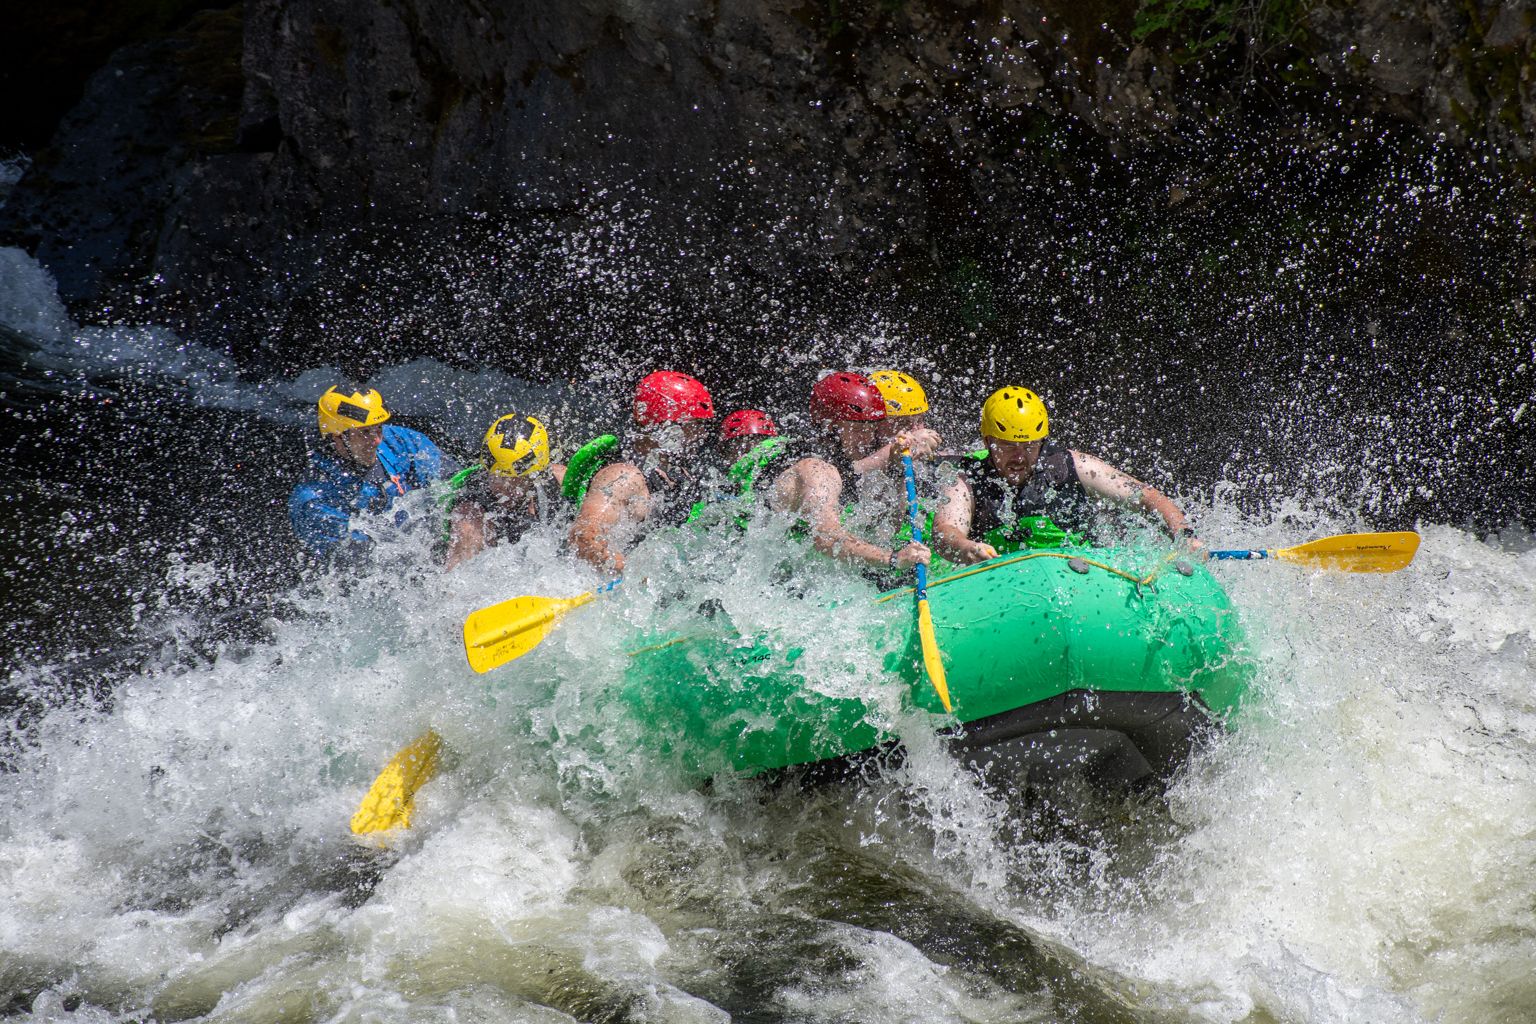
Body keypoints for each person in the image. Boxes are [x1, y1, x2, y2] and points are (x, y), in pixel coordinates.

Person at [931, 386, 1203, 564]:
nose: (1019, 457)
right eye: (1008, 445)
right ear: (987, 441)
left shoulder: (1073, 465)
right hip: (1000, 584)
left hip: (1078, 576)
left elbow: (1146, 496)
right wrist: (968, 549)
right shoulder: (964, 479)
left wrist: (1183, 535)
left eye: (1029, 446)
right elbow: (946, 532)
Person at [768, 371, 930, 576]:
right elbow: (825, 537)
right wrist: (893, 558)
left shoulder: (844, 465)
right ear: (830, 427)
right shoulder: (816, 470)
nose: (868, 438)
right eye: (859, 429)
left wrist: (897, 467)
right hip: (781, 578)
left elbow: (886, 531)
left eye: (872, 427)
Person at [568, 370, 716, 574]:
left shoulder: (676, 475)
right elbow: (585, 537)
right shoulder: (624, 476)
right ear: (667, 425)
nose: (702, 434)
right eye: (695, 426)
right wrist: (633, 573)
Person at [289, 386, 445, 557]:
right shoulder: (315, 501)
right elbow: (366, 560)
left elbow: (454, 480)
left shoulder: (398, 440)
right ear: (337, 437)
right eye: (365, 433)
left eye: (378, 428)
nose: (377, 440)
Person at [442, 413, 568, 570]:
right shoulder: (470, 516)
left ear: (536, 474)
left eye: (518, 479)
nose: (505, 487)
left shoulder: (559, 480)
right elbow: (456, 579)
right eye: (497, 477)